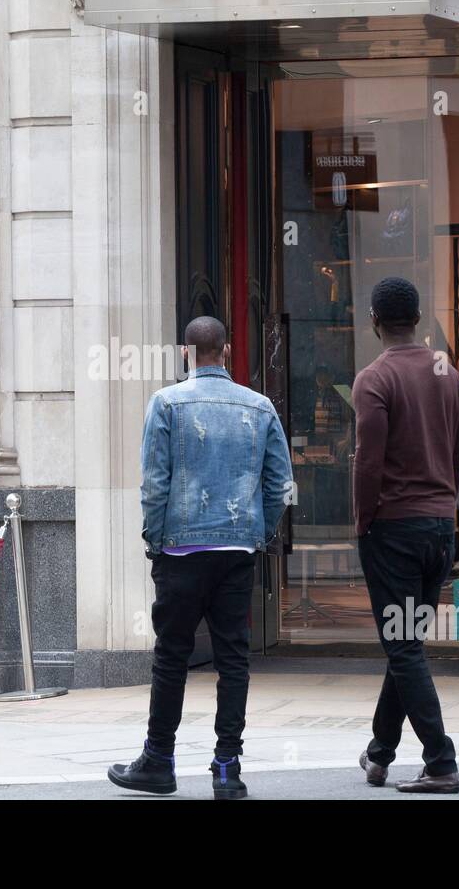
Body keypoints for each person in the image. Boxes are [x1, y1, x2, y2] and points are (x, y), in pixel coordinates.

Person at [108, 316, 293, 800]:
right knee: (233, 659)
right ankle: (227, 767)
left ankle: (159, 760)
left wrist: (156, 539)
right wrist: (257, 532)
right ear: (227, 351)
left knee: (171, 656)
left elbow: (154, 483)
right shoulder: (260, 407)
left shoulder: (166, 403)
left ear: (186, 353)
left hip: (182, 551)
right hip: (235, 550)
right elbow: (279, 486)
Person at [352, 277, 459, 794]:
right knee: (408, 643)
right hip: (440, 525)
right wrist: (446, 500)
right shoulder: (448, 372)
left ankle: (441, 762)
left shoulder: (373, 379)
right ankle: (379, 754)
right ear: (418, 319)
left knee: (402, 646)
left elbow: (368, 461)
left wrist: (362, 518)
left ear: (374, 320)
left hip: (394, 527)